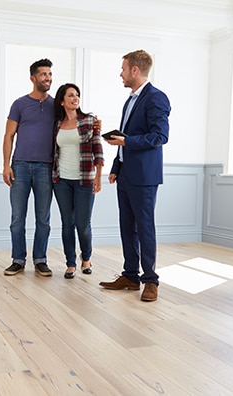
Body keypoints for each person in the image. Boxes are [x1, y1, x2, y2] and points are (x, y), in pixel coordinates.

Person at [99, 49, 171, 302]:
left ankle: (150, 281)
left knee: (145, 227)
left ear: (135, 70)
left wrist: (126, 142)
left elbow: (160, 136)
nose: (120, 73)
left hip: (144, 176)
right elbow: (126, 138)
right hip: (126, 174)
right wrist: (116, 167)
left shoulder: (156, 98)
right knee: (126, 227)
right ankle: (130, 275)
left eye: (123, 68)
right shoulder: (130, 100)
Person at [2, 58, 56, 277]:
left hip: (46, 167)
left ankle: (40, 259)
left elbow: (74, 120)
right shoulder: (19, 104)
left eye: (50, 74)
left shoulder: (56, 104)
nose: (48, 78)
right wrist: (6, 165)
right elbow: (8, 136)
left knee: (43, 218)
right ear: (33, 78)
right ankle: (18, 259)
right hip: (20, 166)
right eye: (44, 74)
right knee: (17, 217)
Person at [52, 83, 104, 279]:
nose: (75, 98)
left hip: (84, 180)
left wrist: (98, 176)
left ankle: (87, 258)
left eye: (77, 95)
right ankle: (70, 263)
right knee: (67, 223)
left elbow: (98, 150)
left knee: (82, 224)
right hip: (61, 180)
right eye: (71, 95)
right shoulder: (56, 124)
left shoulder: (89, 121)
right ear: (62, 101)